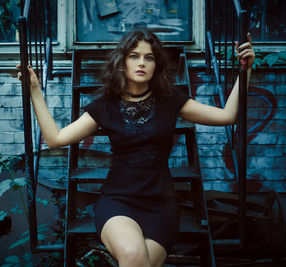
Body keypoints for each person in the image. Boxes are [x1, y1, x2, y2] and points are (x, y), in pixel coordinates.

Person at [17, 28, 255, 267]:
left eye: (148, 57)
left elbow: (228, 115)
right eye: (134, 56)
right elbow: (56, 139)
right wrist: (36, 91)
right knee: (133, 256)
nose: (141, 63)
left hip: (160, 205)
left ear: (156, 64)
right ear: (122, 63)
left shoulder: (171, 100)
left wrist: (245, 69)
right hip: (118, 202)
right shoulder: (105, 106)